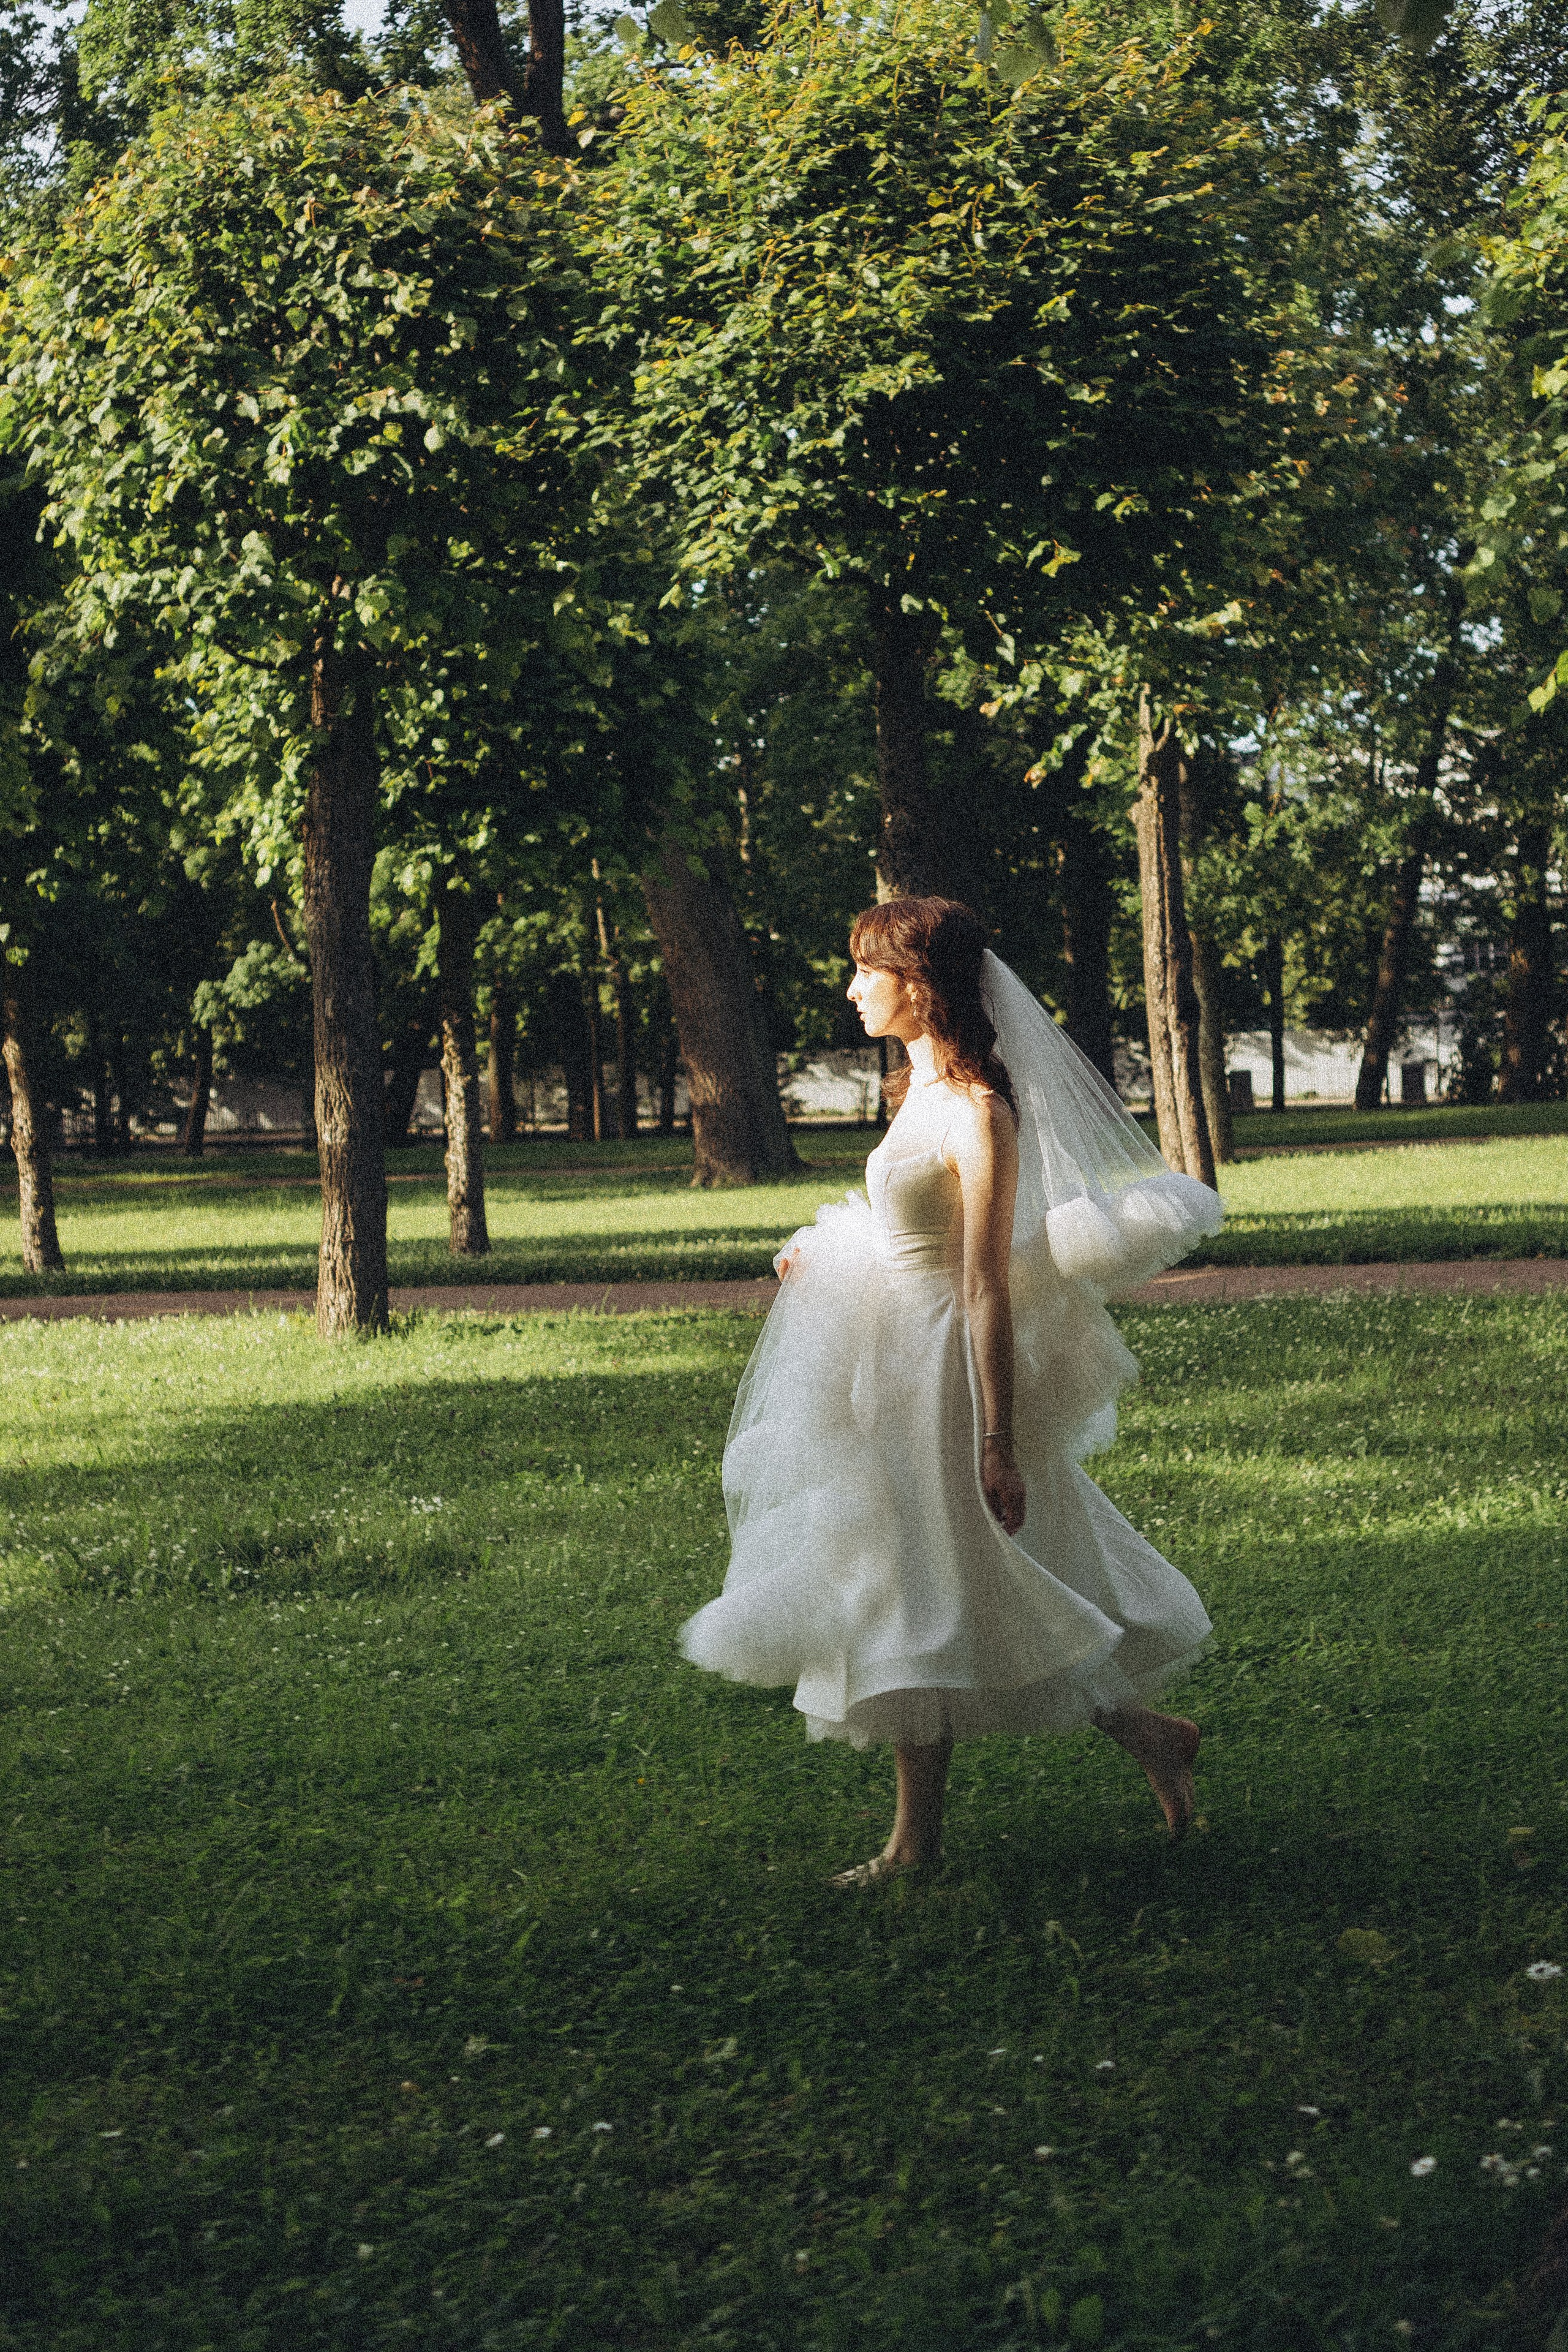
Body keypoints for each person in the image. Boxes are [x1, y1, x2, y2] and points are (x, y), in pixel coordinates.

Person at [680, 897, 1224, 1887]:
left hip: (938, 1372)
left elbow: (982, 1284)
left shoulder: (982, 1114)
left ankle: (919, 1841)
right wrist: (824, 1252)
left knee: (940, 1580)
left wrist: (998, 1440)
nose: (851, 990)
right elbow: (899, 1230)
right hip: (882, 1356)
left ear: (919, 985)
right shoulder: (915, 1099)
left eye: (866, 972)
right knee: (934, 1579)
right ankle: (1138, 1739)